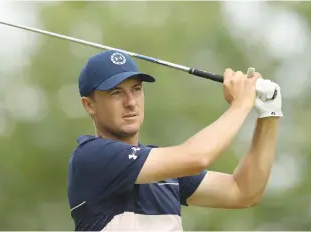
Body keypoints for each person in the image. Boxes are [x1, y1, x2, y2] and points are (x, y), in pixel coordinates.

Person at [67, 50, 283, 231]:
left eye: (136, 89)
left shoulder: (164, 172)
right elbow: (197, 157)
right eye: (116, 93)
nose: (130, 102)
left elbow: (243, 192)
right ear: (89, 105)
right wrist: (241, 105)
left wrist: (269, 115)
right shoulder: (91, 157)